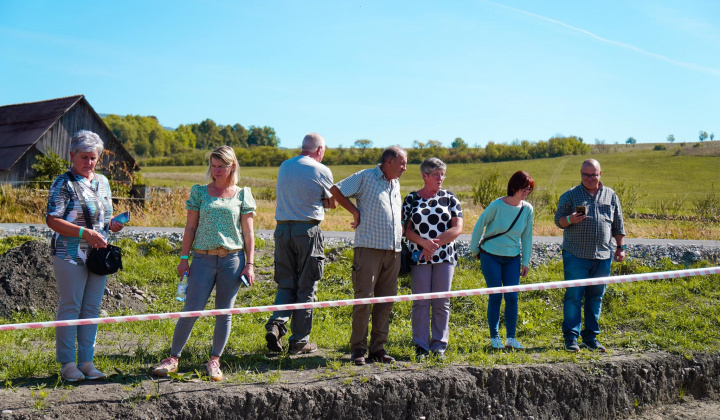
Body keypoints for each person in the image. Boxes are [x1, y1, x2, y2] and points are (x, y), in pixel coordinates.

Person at [153, 145, 256, 381]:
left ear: (233, 166)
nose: (216, 170)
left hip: (232, 260)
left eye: (221, 166)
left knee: (224, 312)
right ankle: (173, 359)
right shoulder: (199, 192)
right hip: (202, 258)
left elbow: (249, 233)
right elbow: (190, 227)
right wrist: (183, 258)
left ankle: (214, 361)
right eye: (213, 165)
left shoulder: (242, 194)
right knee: (190, 310)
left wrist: (249, 264)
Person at [46, 130, 125, 382]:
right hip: (69, 253)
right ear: (71, 155)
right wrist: (84, 232)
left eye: (93, 158)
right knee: (70, 307)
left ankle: (87, 362)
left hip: (98, 255)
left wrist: (112, 224)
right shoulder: (63, 182)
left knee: (92, 309)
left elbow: (103, 216)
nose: (89, 163)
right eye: (84, 157)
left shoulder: (103, 181)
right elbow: (52, 220)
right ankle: (68, 364)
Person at [330, 146, 407, 366]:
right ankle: (358, 349)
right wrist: (355, 211)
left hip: (393, 250)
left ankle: (378, 348)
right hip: (369, 248)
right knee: (364, 298)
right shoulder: (366, 176)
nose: (404, 168)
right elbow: (336, 190)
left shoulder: (395, 183)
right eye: (402, 163)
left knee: (386, 301)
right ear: (389, 161)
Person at [264, 133, 336, 354]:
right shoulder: (321, 169)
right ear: (320, 150)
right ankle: (300, 341)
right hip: (307, 231)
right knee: (307, 285)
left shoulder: (285, 166)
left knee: (286, 283)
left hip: (282, 229)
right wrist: (321, 201)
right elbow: (332, 201)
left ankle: (277, 324)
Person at [555, 159, 625, 353]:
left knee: (596, 298)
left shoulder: (611, 195)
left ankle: (591, 338)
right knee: (573, 297)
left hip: (603, 255)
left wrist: (620, 247)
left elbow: (618, 224)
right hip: (576, 255)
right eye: (585, 175)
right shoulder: (570, 195)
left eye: (593, 175)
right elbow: (558, 221)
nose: (589, 178)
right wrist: (570, 219)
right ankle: (571, 338)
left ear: (600, 174)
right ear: (580, 174)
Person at [402, 158, 463, 359]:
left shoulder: (450, 198)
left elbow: (457, 227)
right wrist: (424, 244)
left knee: (441, 302)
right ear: (425, 176)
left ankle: (439, 346)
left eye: (442, 174)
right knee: (421, 301)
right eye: (436, 175)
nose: (440, 178)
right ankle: (421, 346)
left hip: (445, 256)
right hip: (419, 255)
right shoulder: (411, 198)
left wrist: (435, 244)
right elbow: (405, 229)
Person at [470, 171, 535, 350]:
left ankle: (511, 338)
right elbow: (479, 225)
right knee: (496, 295)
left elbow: (527, 236)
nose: (526, 192)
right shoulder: (496, 205)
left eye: (529, 190)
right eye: (524, 189)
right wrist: (474, 249)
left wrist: (526, 261)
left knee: (513, 297)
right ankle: (494, 337)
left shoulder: (527, 209)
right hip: (490, 256)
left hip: (512, 258)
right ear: (514, 187)